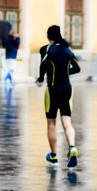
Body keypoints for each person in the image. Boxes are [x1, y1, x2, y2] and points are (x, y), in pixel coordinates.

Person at [36, 25, 80, 167]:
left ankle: (54, 156)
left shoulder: (47, 49)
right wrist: (65, 72)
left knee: (51, 123)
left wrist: (41, 78)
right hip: (67, 89)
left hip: (53, 89)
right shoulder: (68, 50)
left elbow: (43, 64)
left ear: (49, 37)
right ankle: (72, 147)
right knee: (67, 122)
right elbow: (77, 68)